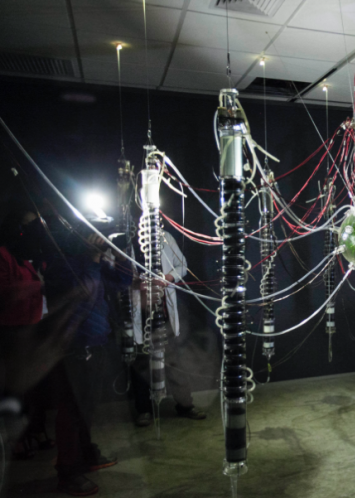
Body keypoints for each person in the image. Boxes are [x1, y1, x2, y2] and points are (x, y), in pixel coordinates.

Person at [46, 228, 133, 495]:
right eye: (91, 234)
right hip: (75, 345)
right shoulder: (62, 264)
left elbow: (123, 281)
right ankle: (68, 474)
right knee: (72, 411)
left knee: (86, 408)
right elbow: (84, 295)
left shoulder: (91, 262)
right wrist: (94, 260)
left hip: (95, 342)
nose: (97, 239)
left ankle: (86, 455)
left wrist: (120, 256)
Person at [130, 231, 206, 427]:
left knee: (175, 362)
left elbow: (182, 265)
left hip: (163, 313)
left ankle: (185, 405)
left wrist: (166, 278)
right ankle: (144, 410)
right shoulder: (125, 239)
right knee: (141, 363)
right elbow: (113, 273)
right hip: (139, 313)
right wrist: (135, 283)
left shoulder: (164, 236)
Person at [0, 207, 55, 458]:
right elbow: (5, 291)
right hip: (14, 330)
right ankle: (16, 440)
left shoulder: (37, 254)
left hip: (37, 326)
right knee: (15, 387)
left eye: (37, 224)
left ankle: (37, 430)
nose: (35, 230)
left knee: (37, 386)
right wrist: (38, 286)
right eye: (28, 224)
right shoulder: (4, 254)